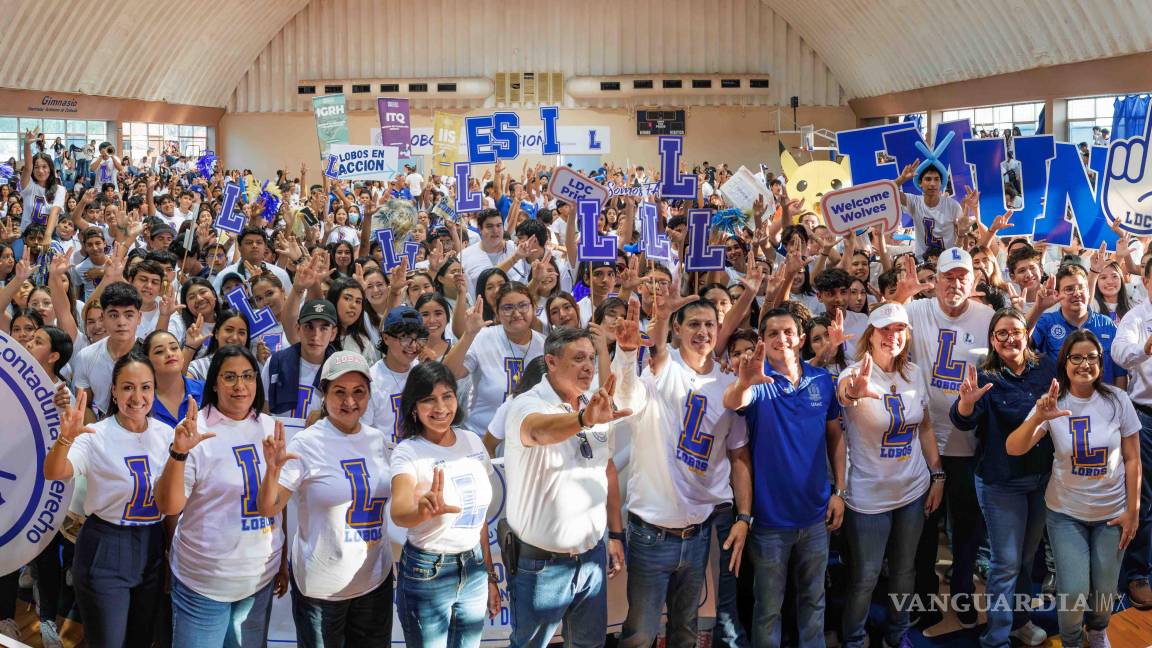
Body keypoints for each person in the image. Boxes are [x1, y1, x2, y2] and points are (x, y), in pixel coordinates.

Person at [610, 296, 752, 648]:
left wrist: (744, 515)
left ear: (718, 330)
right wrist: (633, 347)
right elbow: (641, 373)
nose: (702, 331)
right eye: (693, 324)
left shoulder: (728, 381)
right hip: (650, 533)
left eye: (709, 325)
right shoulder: (661, 370)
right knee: (640, 634)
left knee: (686, 632)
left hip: (699, 531)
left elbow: (738, 453)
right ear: (677, 329)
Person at [1007, 331, 1142, 648]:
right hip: (1066, 512)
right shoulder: (1053, 403)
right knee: (1073, 591)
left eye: (1091, 357)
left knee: (1106, 589)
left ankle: (1097, 630)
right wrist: (1038, 417)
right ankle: (1069, 640)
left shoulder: (1117, 399)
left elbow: (1133, 459)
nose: (1084, 364)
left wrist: (1133, 511)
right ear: (1064, 362)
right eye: (1076, 357)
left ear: (1100, 361)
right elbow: (1014, 448)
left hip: (1112, 512)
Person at [723, 307, 845, 648]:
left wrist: (840, 490)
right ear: (762, 340)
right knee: (768, 610)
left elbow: (836, 436)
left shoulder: (822, 381)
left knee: (813, 602)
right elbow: (733, 400)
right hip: (769, 522)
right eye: (773, 333)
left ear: (802, 339)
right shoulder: (755, 380)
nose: (781, 339)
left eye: (788, 332)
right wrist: (744, 381)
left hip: (817, 516)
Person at [503, 327, 631, 648]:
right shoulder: (526, 404)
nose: (588, 366)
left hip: (591, 558)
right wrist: (583, 420)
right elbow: (538, 432)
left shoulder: (595, 403)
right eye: (578, 358)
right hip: (541, 565)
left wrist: (615, 535)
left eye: (591, 358)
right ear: (551, 361)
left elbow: (606, 471)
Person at [255, 352, 394, 647]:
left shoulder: (377, 440)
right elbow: (269, 507)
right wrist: (272, 471)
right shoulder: (306, 443)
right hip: (322, 590)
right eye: (339, 392)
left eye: (359, 392)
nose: (349, 402)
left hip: (374, 582)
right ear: (324, 394)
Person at [156, 345, 288, 647]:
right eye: (229, 377)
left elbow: (281, 505)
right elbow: (168, 505)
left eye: (247, 376)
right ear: (214, 383)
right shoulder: (194, 430)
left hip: (258, 580)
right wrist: (178, 453)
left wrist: (283, 560)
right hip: (204, 583)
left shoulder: (270, 427)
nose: (240, 386)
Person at [891, 249, 992, 628]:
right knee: (924, 529)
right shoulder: (915, 311)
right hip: (921, 442)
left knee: (967, 525)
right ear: (936, 280)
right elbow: (881, 329)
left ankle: (964, 589)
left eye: (962, 276)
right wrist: (901, 296)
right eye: (948, 276)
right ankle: (924, 595)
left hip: (968, 443)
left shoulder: (987, 317)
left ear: (974, 280)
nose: (955, 283)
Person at [835, 303, 945, 648]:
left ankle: (897, 634)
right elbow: (846, 394)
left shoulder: (914, 372)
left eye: (899, 329)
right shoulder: (851, 373)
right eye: (884, 329)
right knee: (865, 577)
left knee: (904, 570)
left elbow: (924, 426)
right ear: (870, 334)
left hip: (912, 490)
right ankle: (853, 638)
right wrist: (855, 391)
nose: (892, 336)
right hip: (868, 496)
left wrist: (937, 475)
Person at [44, 355, 172, 647]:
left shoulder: (168, 435)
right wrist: (64, 439)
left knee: (140, 641)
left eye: (145, 387)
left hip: (152, 544)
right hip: (105, 544)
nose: (137, 397)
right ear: (113, 390)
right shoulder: (94, 435)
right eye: (127, 387)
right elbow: (54, 472)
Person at [950, 308, 1054, 647]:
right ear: (992, 341)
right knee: (1005, 562)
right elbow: (963, 420)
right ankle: (995, 637)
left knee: (1026, 559)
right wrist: (965, 404)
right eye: (1002, 334)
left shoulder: (1047, 369)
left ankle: (1020, 620)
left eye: (1016, 331)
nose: (1010, 338)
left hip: (1040, 479)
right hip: (1000, 481)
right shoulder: (983, 376)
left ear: (1027, 333)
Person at [391, 361, 501, 647]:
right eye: (428, 399)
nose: (440, 407)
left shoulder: (473, 441)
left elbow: (479, 521)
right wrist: (421, 511)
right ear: (414, 407)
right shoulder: (408, 451)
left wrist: (489, 576)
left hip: (474, 568)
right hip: (428, 572)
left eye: (447, 396)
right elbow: (399, 512)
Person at [446, 282, 545, 436]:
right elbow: (449, 374)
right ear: (497, 313)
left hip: (528, 439)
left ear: (533, 308)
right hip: (481, 436)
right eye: (508, 308)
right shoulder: (483, 337)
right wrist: (469, 335)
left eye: (523, 305)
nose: (517, 313)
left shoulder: (545, 346)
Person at [1108, 257, 1152, 609]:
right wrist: (1145, 348)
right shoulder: (1137, 318)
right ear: (1146, 282)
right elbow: (1119, 354)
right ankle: (1138, 575)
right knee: (1145, 498)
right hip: (1146, 416)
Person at [1030, 264, 1127, 388]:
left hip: (1103, 402)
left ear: (1088, 291)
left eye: (1081, 288)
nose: (1077, 293)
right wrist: (1038, 308)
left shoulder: (1107, 324)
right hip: (1062, 402)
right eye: (1069, 289)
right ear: (1057, 294)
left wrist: (1118, 404)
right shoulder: (1047, 322)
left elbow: (1120, 373)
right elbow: (1021, 341)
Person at [73, 282, 143, 417]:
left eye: (129, 315)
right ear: (103, 318)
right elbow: (83, 407)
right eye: (113, 315)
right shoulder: (85, 357)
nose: (121, 322)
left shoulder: (149, 353)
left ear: (139, 317)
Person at [261, 299, 339, 418]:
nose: (315, 336)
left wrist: (326, 417)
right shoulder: (276, 362)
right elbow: (264, 413)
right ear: (298, 329)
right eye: (309, 327)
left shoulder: (340, 369)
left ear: (333, 333)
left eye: (323, 328)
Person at [363, 306, 428, 446]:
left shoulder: (423, 372)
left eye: (418, 338)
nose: (413, 346)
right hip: (383, 459)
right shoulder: (371, 380)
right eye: (404, 337)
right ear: (386, 338)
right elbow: (363, 432)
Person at [143, 330, 206, 428]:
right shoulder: (143, 401)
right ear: (147, 362)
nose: (169, 354)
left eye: (174, 348)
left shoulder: (206, 389)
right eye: (159, 351)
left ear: (182, 356)